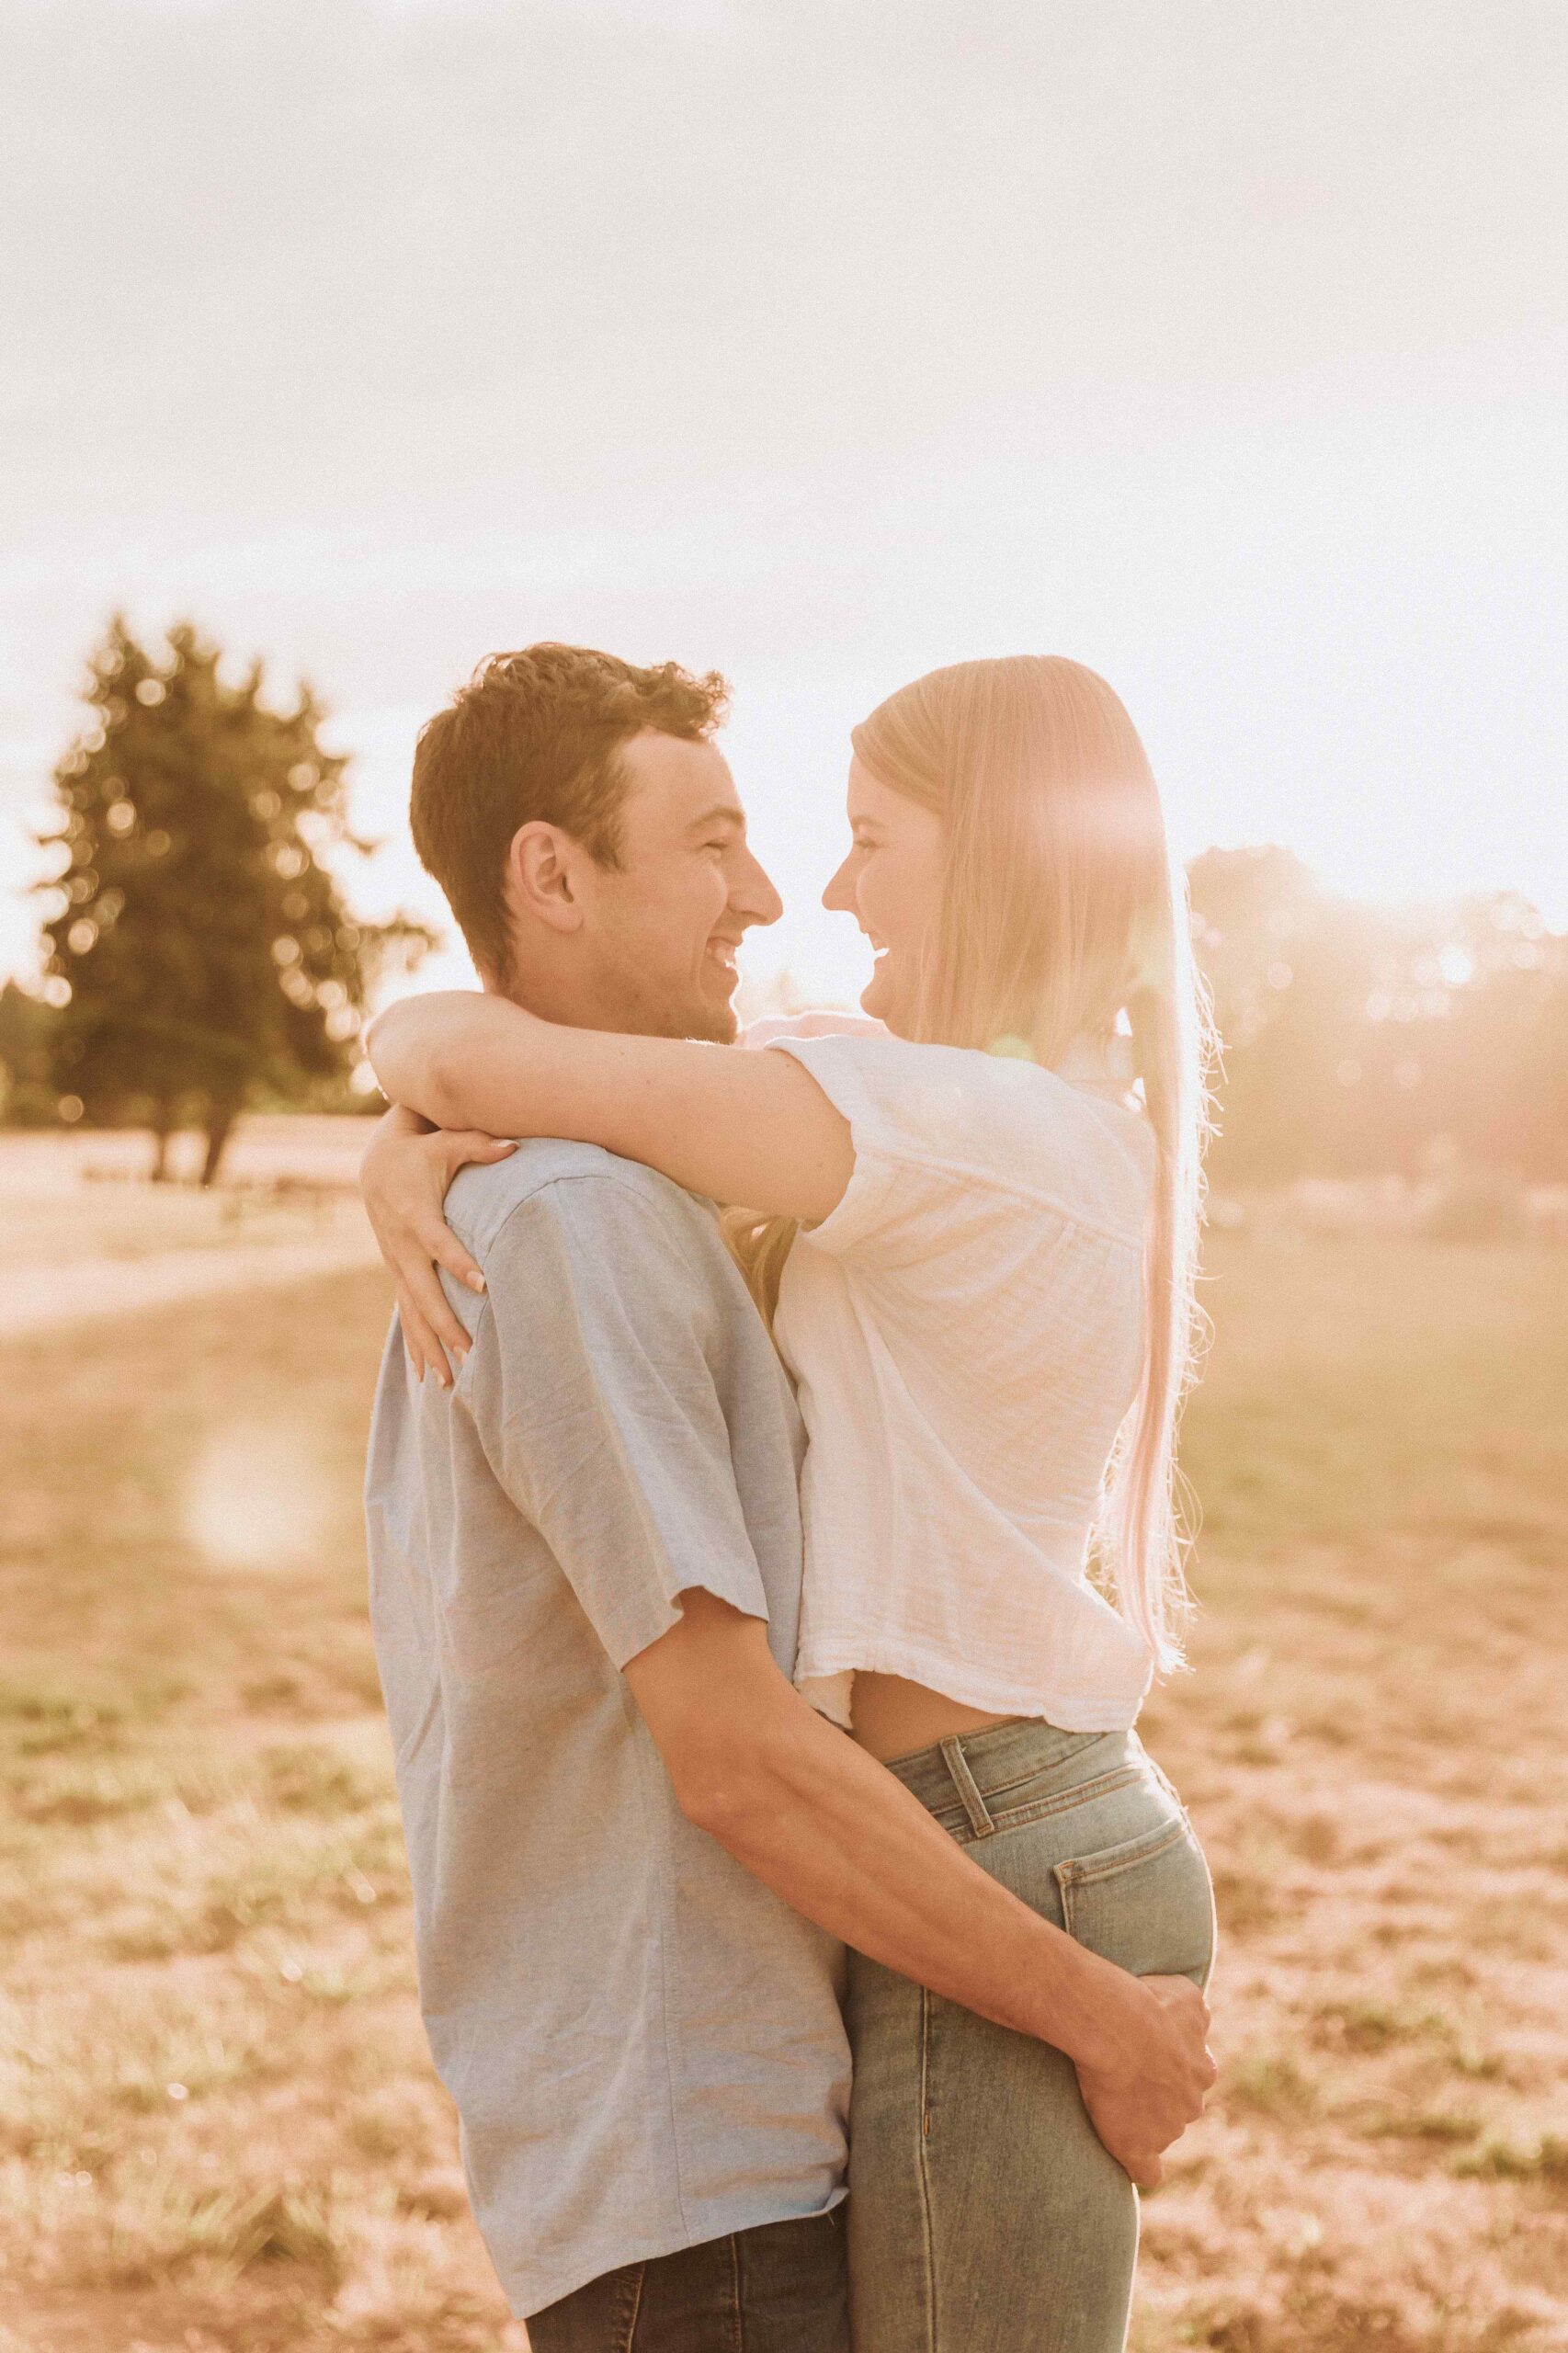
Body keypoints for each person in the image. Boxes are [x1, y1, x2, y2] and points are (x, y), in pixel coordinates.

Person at [361, 644, 1216, 2353]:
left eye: (863, 836)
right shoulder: (920, 1109)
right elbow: (482, 1068)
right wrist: (414, 1124)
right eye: (728, 844)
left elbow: (483, 1056)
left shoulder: (962, 1128)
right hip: (977, 1827)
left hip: (994, 1834)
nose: (803, 890)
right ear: (554, 869)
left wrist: (422, 1104)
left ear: (994, 850)